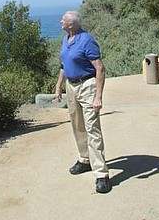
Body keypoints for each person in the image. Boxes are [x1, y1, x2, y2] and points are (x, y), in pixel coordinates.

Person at [54, 10, 111, 194]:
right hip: (71, 86)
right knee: (77, 125)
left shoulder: (87, 40)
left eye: (63, 19)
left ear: (71, 24)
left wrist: (98, 96)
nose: (60, 21)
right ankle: (84, 160)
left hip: (87, 85)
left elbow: (100, 69)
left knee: (92, 127)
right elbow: (64, 65)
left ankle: (101, 174)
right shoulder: (66, 39)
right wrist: (58, 86)